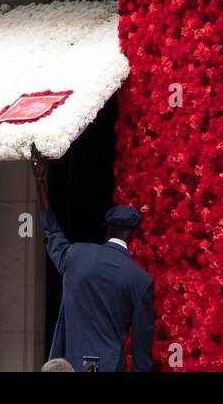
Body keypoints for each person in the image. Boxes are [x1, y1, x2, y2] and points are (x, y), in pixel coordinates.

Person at [32, 154, 155, 372]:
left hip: (68, 365)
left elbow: (51, 232)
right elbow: (141, 350)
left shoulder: (76, 256)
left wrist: (39, 181)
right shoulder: (141, 280)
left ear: (108, 229)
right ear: (133, 235)